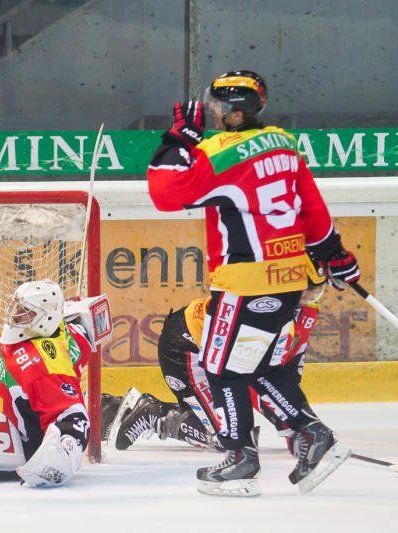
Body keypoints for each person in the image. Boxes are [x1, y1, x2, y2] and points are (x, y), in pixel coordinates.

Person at [146, 70, 358, 496]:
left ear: (231, 110)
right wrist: (335, 254)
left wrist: (180, 138)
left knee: (221, 369)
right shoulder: (283, 143)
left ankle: (242, 459)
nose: (214, 112)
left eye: (218, 105)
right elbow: (312, 209)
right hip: (288, 279)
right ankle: (311, 434)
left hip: (246, 281)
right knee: (257, 365)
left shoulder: (221, 152)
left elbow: (165, 193)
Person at [106, 279, 325, 454]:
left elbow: (289, 371)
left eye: (316, 291)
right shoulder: (268, 309)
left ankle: (121, 408)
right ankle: (154, 414)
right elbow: (256, 379)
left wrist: (293, 425)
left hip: (211, 354)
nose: (310, 298)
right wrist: (293, 425)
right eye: (306, 291)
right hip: (184, 349)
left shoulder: (303, 312)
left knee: (237, 432)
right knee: (228, 439)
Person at [0, 280, 93, 487]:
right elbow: (83, 337)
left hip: (17, 449)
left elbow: (74, 417)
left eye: (26, 312)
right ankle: (108, 404)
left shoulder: (40, 368)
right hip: (0, 423)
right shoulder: (63, 330)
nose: (15, 316)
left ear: (47, 318)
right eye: (17, 307)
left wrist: (59, 459)